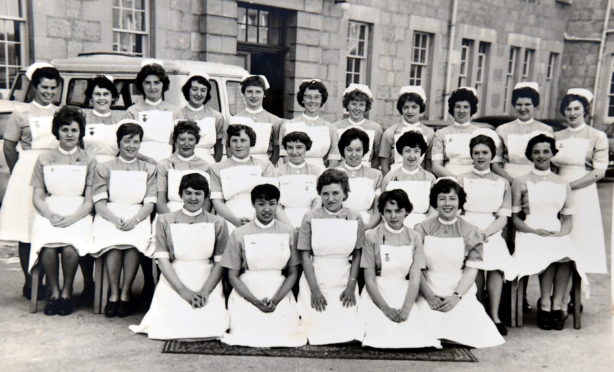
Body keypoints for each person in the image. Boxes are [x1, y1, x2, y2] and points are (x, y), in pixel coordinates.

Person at [130, 173, 229, 340]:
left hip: (206, 278)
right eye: (188, 193)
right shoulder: (165, 220)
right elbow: (162, 260)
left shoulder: (218, 223)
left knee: (212, 328)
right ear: (181, 194)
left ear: (205, 196)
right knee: (168, 327)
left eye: (198, 193)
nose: (193, 198)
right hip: (174, 278)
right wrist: (184, 292)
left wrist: (205, 291)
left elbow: (220, 263)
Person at [415, 178, 505, 348]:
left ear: (460, 202)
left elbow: (471, 270)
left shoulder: (471, 231)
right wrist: (429, 296)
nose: (447, 203)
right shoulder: (421, 228)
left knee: (471, 331)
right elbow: (417, 268)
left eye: (452, 199)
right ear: (435, 202)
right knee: (422, 329)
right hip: (427, 286)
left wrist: (457, 297)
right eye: (442, 198)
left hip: (459, 287)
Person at [512, 134, 588, 330]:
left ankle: (557, 304)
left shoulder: (563, 182)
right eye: (536, 152)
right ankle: (545, 302)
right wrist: (533, 231)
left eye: (546, 151)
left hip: (555, 229)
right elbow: (514, 219)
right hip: (529, 231)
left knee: (564, 252)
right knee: (548, 251)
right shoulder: (520, 181)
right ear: (530, 155)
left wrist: (561, 234)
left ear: (553, 153)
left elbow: (568, 218)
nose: (541, 155)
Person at [0, 62, 61, 299]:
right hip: (27, 172)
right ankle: (30, 281)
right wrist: (21, 169)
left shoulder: (60, 112)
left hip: (54, 172)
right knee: (26, 229)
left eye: (52, 88)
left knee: (48, 227)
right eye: (44, 87)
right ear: (35, 87)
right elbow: (9, 147)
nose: (48, 92)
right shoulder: (21, 113)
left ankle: (47, 280)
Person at [29, 106, 96, 316]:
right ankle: (55, 294)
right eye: (65, 129)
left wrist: (74, 218)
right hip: (51, 209)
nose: (69, 134)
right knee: (47, 246)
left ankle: (67, 292)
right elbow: (38, 196)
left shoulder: (89, 159)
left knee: (70, 247)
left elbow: (89, 199)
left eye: (74, 130)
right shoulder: (43, 159)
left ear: (80, 133)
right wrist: (50, 215)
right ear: (57, 131)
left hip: (78, 211)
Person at [221, 184, 305, 347]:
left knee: (285, 336)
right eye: (261, 204)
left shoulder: (289, 232)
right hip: (247, 291)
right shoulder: (239, 233)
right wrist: (255, 301)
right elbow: (233, 276)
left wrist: (276, 300)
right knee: (247, 335)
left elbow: (293, 272)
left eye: (272, 204)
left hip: (278, 291)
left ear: (277, 205)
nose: (267, 209)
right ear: (253, 205)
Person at [358, 189, 441, 349]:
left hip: (405, 289)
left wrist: (407, 307)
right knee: (380, 331)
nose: (393, 216)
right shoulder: (371, 236)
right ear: (381, 213)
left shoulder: (414, 237)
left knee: (415, 332)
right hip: (378, 290)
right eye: (388, 211)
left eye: (398, 211)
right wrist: (386, 309)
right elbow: (369, 279)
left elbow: (415, 276)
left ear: (407, 212)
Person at [91, 121, 157, 318]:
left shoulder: (148, 168)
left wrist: (135, 220)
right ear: (119, 142)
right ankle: (113, 292)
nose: (131, 146)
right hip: (110, 214)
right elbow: (100, 203)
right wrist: (114, 219)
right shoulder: (104, 167)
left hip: (137, 214)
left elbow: (150, 204)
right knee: (113, 241)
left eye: (136, 142)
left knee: (134, 242)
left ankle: (126, 292)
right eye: (127, 141)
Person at [297, 169, 364, 345]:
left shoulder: (355, 217)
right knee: (315, 333)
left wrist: (351, 285)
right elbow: (304, 255)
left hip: (344, 277)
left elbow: (357, 254)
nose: (331, 198)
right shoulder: (310, 217)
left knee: (347, 334)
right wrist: (314, 290)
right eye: (325, 194)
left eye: (336, 193)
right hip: (316, 276)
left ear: (345, 194)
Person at [457, 135, 515, 335]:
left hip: (491, 229)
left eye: (484, 153)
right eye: (476, 153)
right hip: (467, 228)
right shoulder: (462, 179)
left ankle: (495, 315)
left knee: (496, 265)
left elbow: (503, 217)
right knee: (476, 267)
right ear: (471, 154)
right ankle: (478, 312)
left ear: (492, 155)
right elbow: (457, 212)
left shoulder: (503, 182)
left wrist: (485, 232)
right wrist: (472, 233)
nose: (480, 156)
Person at [552, 89, 608, 275]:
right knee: (560, 240)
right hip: (558, 191)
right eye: (568, 109)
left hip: (583, 193)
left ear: (585, 110)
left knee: (580, 239)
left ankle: (574, 295)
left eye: (577, 108)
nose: (572, 113)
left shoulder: (597, 136)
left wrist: (569, 186)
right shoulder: (557, 136)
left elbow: (598, 172)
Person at [209, 124, 276, 231]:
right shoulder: (217, 168)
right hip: (229, 217)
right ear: (229, 143)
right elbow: (217, 201)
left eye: (243, 140)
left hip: (260, 216)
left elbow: (269, 199)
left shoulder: (265, 166)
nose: (238, 145)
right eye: (234, 140)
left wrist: (257, 221)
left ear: (251, 142)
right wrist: (236, 221)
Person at [431, 87, 502, 177]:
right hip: (448, 177)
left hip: (476, 177)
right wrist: (456, 179)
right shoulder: (441, 134)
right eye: (458, 107)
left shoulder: (481, 133)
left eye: (466, 107)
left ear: (471, 109)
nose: (461, 111)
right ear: (452, 108)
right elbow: (436, 166)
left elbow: (488, 162)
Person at [495, 82, 553, 180]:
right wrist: (512, 181)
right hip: (509, 178)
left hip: (538, 179)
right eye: (519, 104)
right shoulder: (502, 130)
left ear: (535, 106)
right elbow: (495, 163)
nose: (523, 109)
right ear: (514, 105)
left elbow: (551, 162)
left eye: (527, 104)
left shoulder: (546, 130)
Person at [279, 79, 341, 168]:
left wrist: (325, 176)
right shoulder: (288, 126)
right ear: (302, 99)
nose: (312, 101)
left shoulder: (330, 128)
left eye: (317, 97)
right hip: (294, 171)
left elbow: (334, 159)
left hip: (321, 173)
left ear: (322, 100)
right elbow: (286, 158)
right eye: (308, 97)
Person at [381, 131, 436, 228]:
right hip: (393, 224)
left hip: (421, 226)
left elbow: (433, 209)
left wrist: (424, 227)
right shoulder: (390, 177)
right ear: (401, 152)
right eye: (407, 151)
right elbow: (382, 208)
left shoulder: (429, 178)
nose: (412, 156)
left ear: (421, 153)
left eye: (416, 151)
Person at [126, 60, 177, 162]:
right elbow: (126, 144)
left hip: (167, 162)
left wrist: (168, 161)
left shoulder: (175, 111)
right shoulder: (133, 111)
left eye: (156, 83)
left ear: (163, 84)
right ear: (142, 85)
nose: (152, 87)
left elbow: (179, 142)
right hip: (140, 161)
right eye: (147, 83)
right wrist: (147, 159)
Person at [156, 120, 212, 214]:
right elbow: (160, 202)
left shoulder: (206, 166)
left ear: (196, 141)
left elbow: (207, 202)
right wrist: (172, 221)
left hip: (198, 215)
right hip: (170, 213)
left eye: (191, 139)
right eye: (182, 139)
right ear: (175, 140)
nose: (186, 144)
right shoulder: (164, 165)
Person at [379, 86, 435, 175]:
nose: (410, 111)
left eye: (414, 107)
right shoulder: (390, 132)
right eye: (405, 107)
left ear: (420, 108)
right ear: (401, 109)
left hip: (419, 178)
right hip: (395, 177)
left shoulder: (429, 133)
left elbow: (428, 163)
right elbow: (384, 164)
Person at [275, 131, 324, 228]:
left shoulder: (317, 171)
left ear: (307, 148)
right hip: (284, 220)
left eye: (299, 147)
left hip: (312, 220)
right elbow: (276, 204)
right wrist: (288, 226)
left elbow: (319, 200)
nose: (294, 152)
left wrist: (308, 222)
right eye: (290, 147)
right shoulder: (277, 173)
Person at [228, 75, 282, 164]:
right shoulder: (233, 120)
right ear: (243, 93)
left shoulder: (275, 121)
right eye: (249, 91)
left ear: (264, 94)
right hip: (239, 165)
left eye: (258, 92)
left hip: (264, 164)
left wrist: (268, 168)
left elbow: (276, 152)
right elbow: (229, 148)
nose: (254, 96)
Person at [173, 71, 224, 164]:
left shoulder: (216, 116)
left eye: (203, 90)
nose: (199, 94)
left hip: (207, 163)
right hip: (180, 163)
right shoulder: (176, 114)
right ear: (188, 90)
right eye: (195, 89)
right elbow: (172, 146)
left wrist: (213, 165)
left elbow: (219, 148)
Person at [336, 128, 382, 229]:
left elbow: (377, 211)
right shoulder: (333, 173)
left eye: (358, 150)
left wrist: (367, 227)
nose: (354, 154)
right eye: (349, 150)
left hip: (366, 222)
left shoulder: (375, 175)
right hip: (338, 222)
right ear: (342, 150)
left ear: (364, 150)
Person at [333, 83, 382, 168]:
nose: (357, 108)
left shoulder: (376, 128)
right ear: (347, 105)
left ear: (366, 107)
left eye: (361, 105)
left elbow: (377, 157)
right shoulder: (336, 127)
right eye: (354, 104)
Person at [83, 75, 128, 163]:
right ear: (91, 97)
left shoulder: (120, 121)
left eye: (106, 94)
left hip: (114, 166)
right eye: (97, 94)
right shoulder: (83, 120)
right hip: (87, 165)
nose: (102, 98)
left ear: (113, 97)